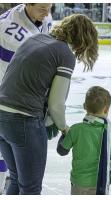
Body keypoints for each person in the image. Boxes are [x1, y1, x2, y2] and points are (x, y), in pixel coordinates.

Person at [0, 14, 98, 195]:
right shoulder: (64, 54)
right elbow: (56, 104)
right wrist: (64, 128)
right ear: (84, 38)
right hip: (24, 119)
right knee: (30, 188)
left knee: (15, 179)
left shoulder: (35, 38)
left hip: (1, 115)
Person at [0, 3, 52, 194]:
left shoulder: (43, 17)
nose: (47, 11)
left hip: (14, 100)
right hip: (10, 102)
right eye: (42, 7)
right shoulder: (7, 29)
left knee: (12, 170)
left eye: (50, 5)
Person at [57, 86, 111, 195]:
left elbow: (62, 151)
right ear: (106, 109)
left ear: (84, 106)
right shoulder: (108, 130)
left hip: (78, 183)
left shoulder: (76, 129)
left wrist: (64, 134)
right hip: (99, 184)